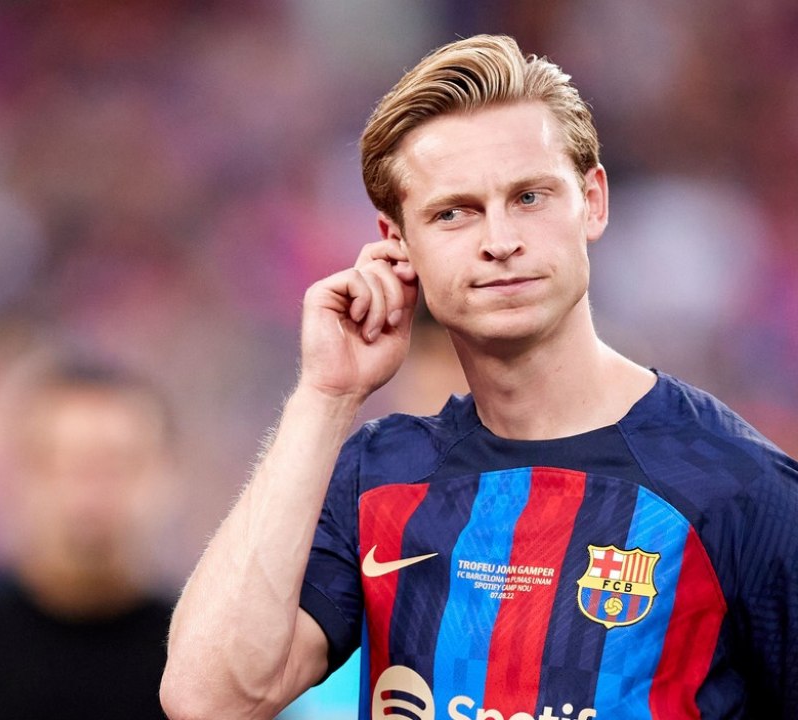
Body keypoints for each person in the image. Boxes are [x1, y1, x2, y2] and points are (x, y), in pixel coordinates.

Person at [162, 34, 798, 720]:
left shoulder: (740, 491)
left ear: (592, 201)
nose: (499, 241)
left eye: (529, 197)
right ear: (397, 242)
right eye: (453, 212)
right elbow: (209, 700)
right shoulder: (378, 478)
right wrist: (326, 396)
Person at [0, 356, 175, 720]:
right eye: (67, 465)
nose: (90, 492)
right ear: (20, 472)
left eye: (116, 465)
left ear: (167, 472)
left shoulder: (193, 652)